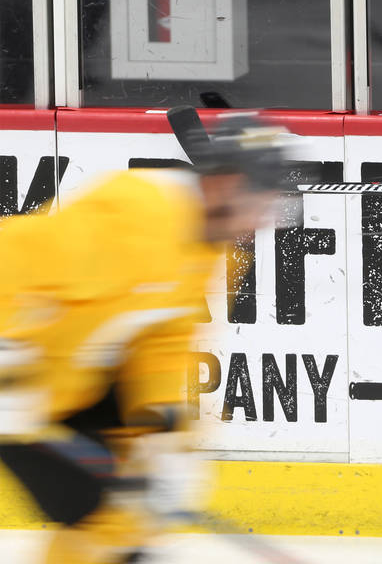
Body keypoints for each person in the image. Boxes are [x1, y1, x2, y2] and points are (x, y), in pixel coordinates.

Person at [0, 111, 289, 564]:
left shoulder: (216, 249)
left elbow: (166, 343)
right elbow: (15, 258)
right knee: (104, 518)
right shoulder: (137, 211)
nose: (266, 218)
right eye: (262, 200)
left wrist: (163, 431)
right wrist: (7, 358)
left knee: (125, 516)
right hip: (20, 379)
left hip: (71, 381)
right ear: (227, 184)